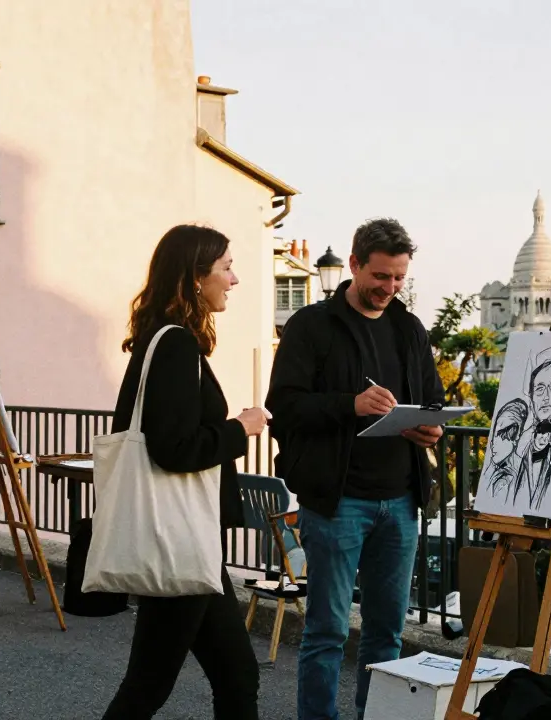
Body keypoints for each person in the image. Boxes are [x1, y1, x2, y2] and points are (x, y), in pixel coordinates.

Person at [266, 217, 447, 719]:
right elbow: (284, 406)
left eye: (398, 279)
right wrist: (351, 404)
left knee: (387, 634)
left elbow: (432, 399)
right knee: (326, 632)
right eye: (381, 277)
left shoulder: (409, 328)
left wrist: (431, 426)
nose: (389, 288)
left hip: (402, 501)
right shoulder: (310, 325)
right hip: (337, 500)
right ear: (353, 265)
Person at [100, 224, 269, 720]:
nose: (234, 280)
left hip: (186, 539)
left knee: (234, 674)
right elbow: (173, 448)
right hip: (181, 538)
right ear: (196, 278)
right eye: (226, 268)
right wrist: (241, 428)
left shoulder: (165, 339)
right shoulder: (174, 345)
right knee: (151, 684)